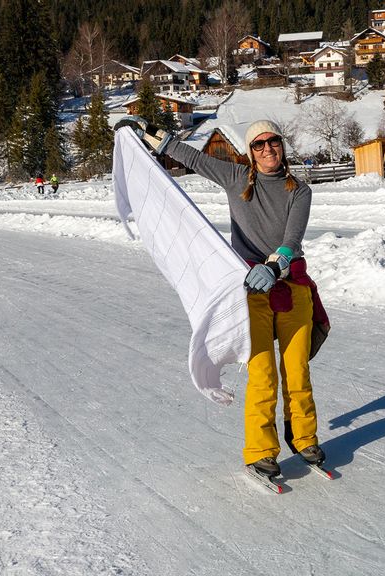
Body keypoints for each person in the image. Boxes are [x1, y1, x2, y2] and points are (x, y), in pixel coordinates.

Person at [162, 120, 329, 479]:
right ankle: (260, 451)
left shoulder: (299, 190)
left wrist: (277, 265)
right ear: (250, 153)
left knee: (297, 369)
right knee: (263, 373)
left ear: (282, 146)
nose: (268, 149)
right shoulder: (237, 178)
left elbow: (292, 238)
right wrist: (152, 137)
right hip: (252, 292)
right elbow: (192, 158)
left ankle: (303, 437)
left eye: (274, 142)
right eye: (259, 145)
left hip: (291, 285)